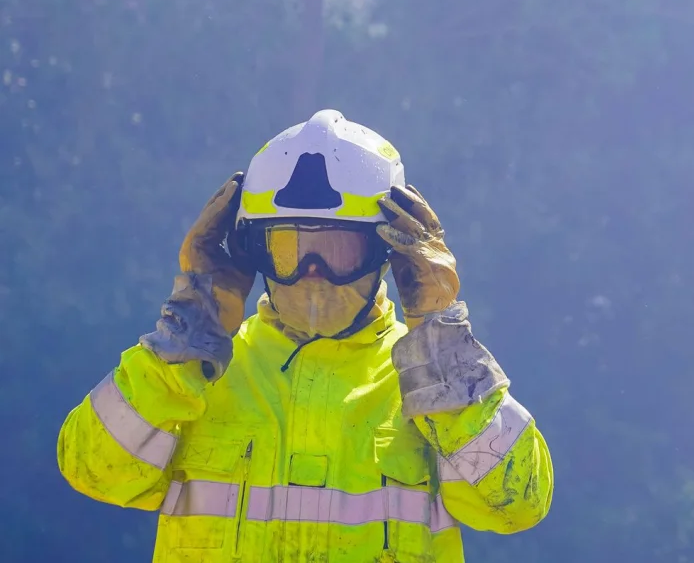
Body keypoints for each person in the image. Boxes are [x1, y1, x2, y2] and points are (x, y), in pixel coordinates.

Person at [57, 109, 554, 562]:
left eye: (338, 251)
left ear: (390, 252)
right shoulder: (198, 373)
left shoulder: (432, 386)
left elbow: (517, 505)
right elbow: (93, 470)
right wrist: (188, 329)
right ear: (253, 252)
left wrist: (442, 344)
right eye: (289, 250)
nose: (312, 274)